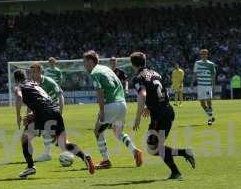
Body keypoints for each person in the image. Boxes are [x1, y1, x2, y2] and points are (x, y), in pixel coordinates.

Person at [13, 69, 95, 178]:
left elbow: (19, 97)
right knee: (63, 143)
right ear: (26, 76)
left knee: (25, 139)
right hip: (54, 111)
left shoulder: (20, 86)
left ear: (16, 80)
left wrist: (18, 115)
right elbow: (44, 99)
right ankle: (85, 157)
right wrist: (34, 113)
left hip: (43, 114)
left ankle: (30, 167)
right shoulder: (34, 84)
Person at [130, 52, 195, 180]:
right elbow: (160, 91)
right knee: (155, 147)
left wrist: (137, 117)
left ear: (133, 65)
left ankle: (184, 154)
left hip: (159, 115)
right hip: (168, 111)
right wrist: (149, 106)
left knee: (153, 148)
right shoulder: (155, 73)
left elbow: (142, 95)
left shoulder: (138, 77)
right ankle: (176, 172)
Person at [83, 50, 143, 169]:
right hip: (122, 104)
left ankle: (105, 160)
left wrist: (102, 111)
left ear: (90, 61)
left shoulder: (94, 72)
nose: (83, 65)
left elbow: (99, 92)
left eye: (84, 62)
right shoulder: (106, 69)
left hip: (111, 105)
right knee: (118, 132)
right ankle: (135, 151)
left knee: (97, 131)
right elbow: (120, 85)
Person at [29, 62, 65, 162]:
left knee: (49, 131)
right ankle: (51, 153)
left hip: (53, 109)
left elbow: (60, 95)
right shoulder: (32, 84)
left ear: (40, 71)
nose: (32, 74)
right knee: (49, 132)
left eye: (34, 72)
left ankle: (48, 153)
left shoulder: (49, 82)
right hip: (43, 110)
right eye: (31, 72)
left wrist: (61, 112)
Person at [191, 49, 217, 125]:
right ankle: (211, 115)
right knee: (202, 104)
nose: (203, 55)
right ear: (200, 55)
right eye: (202, 54)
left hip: (208, 86)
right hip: (200, 86)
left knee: (209, 102)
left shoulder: (211, 64)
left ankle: (209, 119)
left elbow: (213, 76)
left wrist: (213, 86)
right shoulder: (197, 63)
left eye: (205, 54)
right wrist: (192, 83)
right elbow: (195, 74)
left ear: (207, 55)